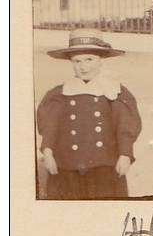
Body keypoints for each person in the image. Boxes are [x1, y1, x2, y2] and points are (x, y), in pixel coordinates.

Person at [37, 28, 142, 200]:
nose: (84, 67)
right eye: (77, 61)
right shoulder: (59, 93)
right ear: (71, 62)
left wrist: (125, 154)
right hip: (67, 164)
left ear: (101, 61)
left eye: (89, 60)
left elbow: (126, 126)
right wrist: (47, 153)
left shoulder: (115, 91)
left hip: (105, 164)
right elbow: (49, 125)